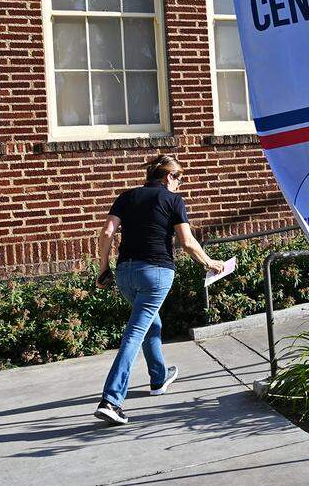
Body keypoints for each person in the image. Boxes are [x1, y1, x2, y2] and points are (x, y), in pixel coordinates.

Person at [92, 154, 225, 426]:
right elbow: (187, 242)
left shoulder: (126, 196)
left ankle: (158, 378)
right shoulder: (173, 199)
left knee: (152, 324)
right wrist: (210, 263)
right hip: (156, 274)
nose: (181, 185)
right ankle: (111, 400)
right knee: (134, 334)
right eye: (180, 179)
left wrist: (103, 269)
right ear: (169, 177)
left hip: (125, 274)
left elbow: (106, 233)